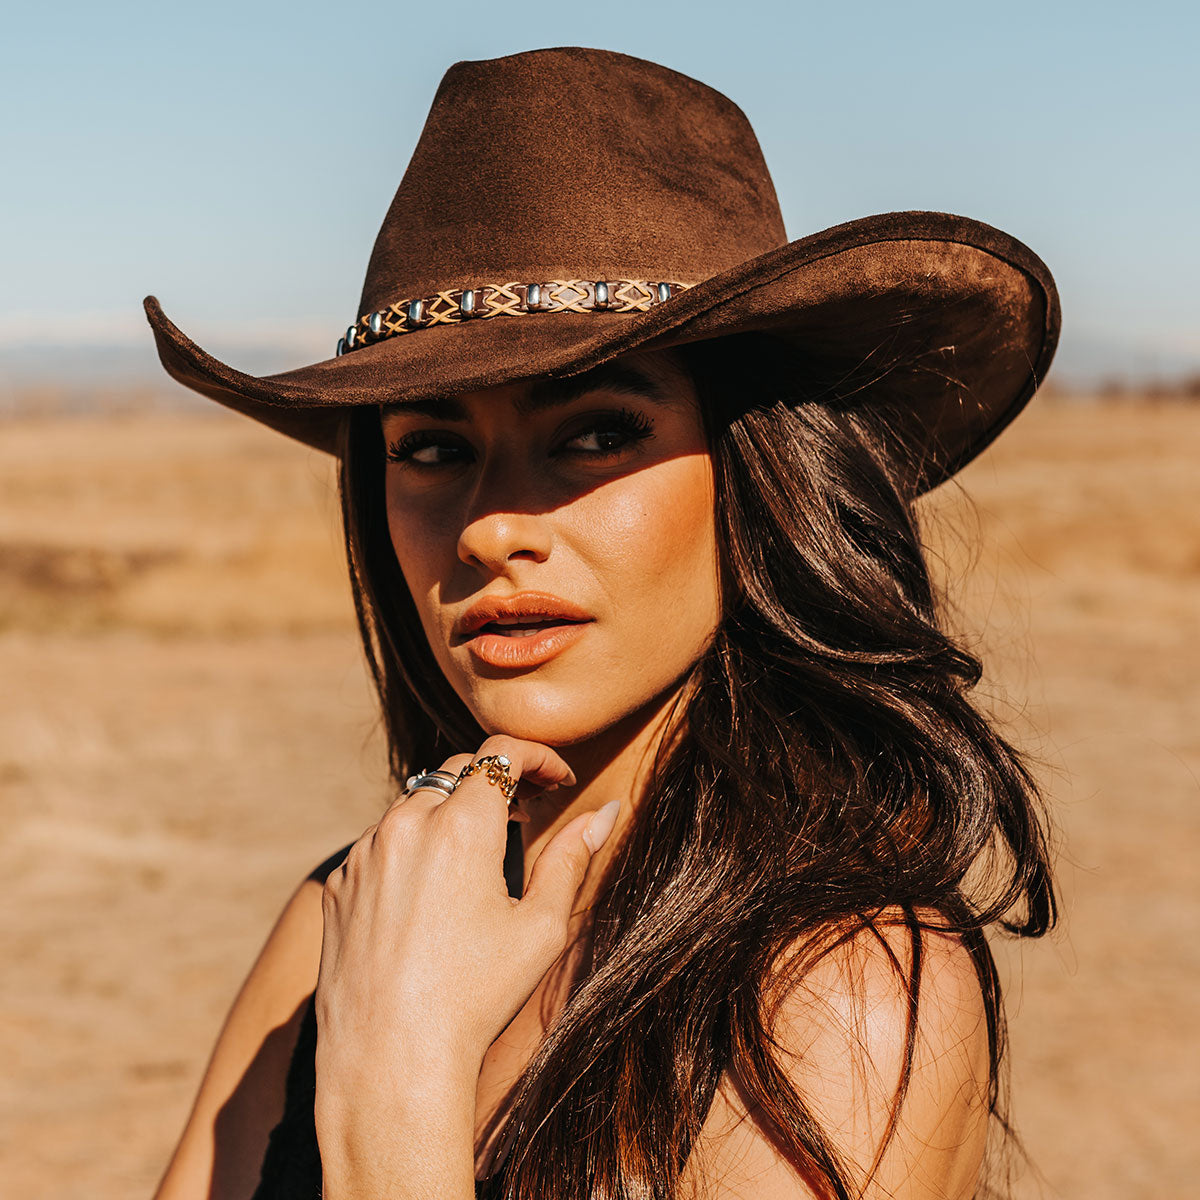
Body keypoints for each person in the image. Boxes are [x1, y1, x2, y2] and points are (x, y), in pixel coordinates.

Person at [143, 46, 1059, 1200]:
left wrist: (395, 1089)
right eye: (431, 448)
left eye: (594, 432)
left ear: (752, 474)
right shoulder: (348, 917)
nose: (489, 529)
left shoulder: (836, 997)